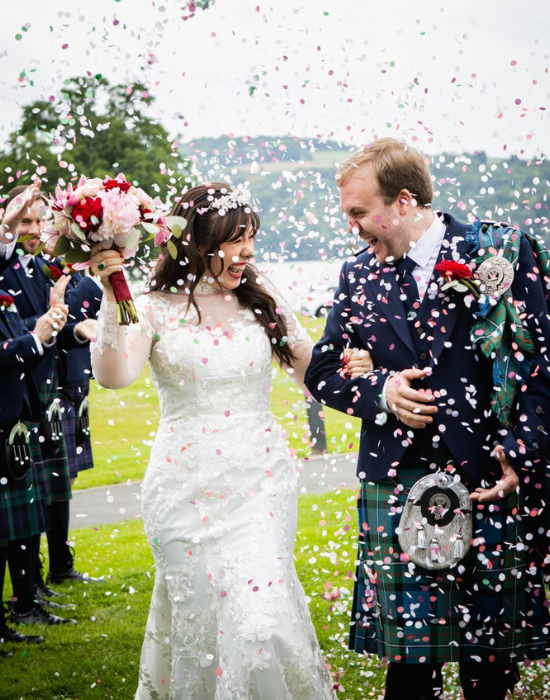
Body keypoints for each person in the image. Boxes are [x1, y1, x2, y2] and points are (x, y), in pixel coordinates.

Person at [304, 138, 550, 700]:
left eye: (359, 212)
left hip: (489, 477)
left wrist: (521, 452)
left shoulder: (500, 252)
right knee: (410, 671)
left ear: (404, 200)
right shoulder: (357, 275)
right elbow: (321, 371)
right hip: (397, 482)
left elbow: (541, 361)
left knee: (490, 669)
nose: (352, 228)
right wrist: (381, 390)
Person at [90, 182, 337, 699]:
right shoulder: (152, 308)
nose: (248, 252)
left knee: (260, 619)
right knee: (200, 620)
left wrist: (363, 363)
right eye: (236, 240)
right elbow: (115, 376)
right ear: (198, 242)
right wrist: (113, 293)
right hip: (183, 490)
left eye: (251, 239)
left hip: (260, 484)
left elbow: (314, 373)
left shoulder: (261, 300)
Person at [0, 185, 102, 607]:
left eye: (38, 220)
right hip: (24, 387)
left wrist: (71, 326)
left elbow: (65, 317)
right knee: (26, 498)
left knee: (50, 489)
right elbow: (22, 324)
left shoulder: (46, 265)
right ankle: (28, 593)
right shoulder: (10, 267)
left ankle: (40, 583)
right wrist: (45, 325)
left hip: (50, 382)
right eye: (23, 220)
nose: (33, 229)